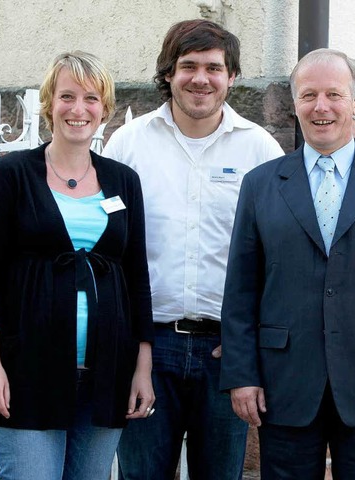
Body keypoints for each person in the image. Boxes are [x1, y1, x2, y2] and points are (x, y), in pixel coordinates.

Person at [220, 48, 355, 480]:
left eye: (334, 94)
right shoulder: (261, 184)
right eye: (309, 95)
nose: (321, 107)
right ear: (295, 103)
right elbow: (241, 288)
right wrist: (242, 375)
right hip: (285, 384)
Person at [103, 19, 284, 480]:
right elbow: (108, 250)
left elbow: (279, 256)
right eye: (188, 66)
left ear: (232, 76)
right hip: (149, 347)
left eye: (213, 67)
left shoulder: (260, 150)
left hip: (228, 351)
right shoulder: (129, 144)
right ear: (167, 73)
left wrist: (252, 341)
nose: (200, 78)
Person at [0, 51, 155, 480]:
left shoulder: (123, 181)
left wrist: (143, 367)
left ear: (105, 109)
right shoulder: (12, 174)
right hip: (27, 370)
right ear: (48, 104)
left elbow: (136, 276)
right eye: (66, 96)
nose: (78, 109)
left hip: (106, 375)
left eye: (90, 98)